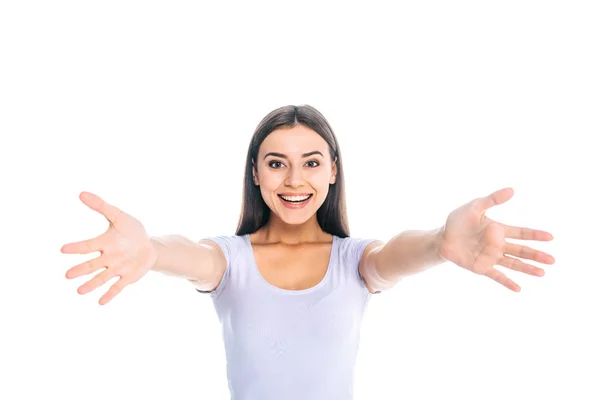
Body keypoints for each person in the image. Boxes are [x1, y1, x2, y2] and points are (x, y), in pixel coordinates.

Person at [62, 104, 555, 399]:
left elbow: (392, 258)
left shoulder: (355, 262)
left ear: (333, 171)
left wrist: (438, 245)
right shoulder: (229, 261)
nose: (295, 180)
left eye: (311, 163)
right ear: (255, 173)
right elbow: (190, 254)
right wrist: (149, 249)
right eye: (276, 163)